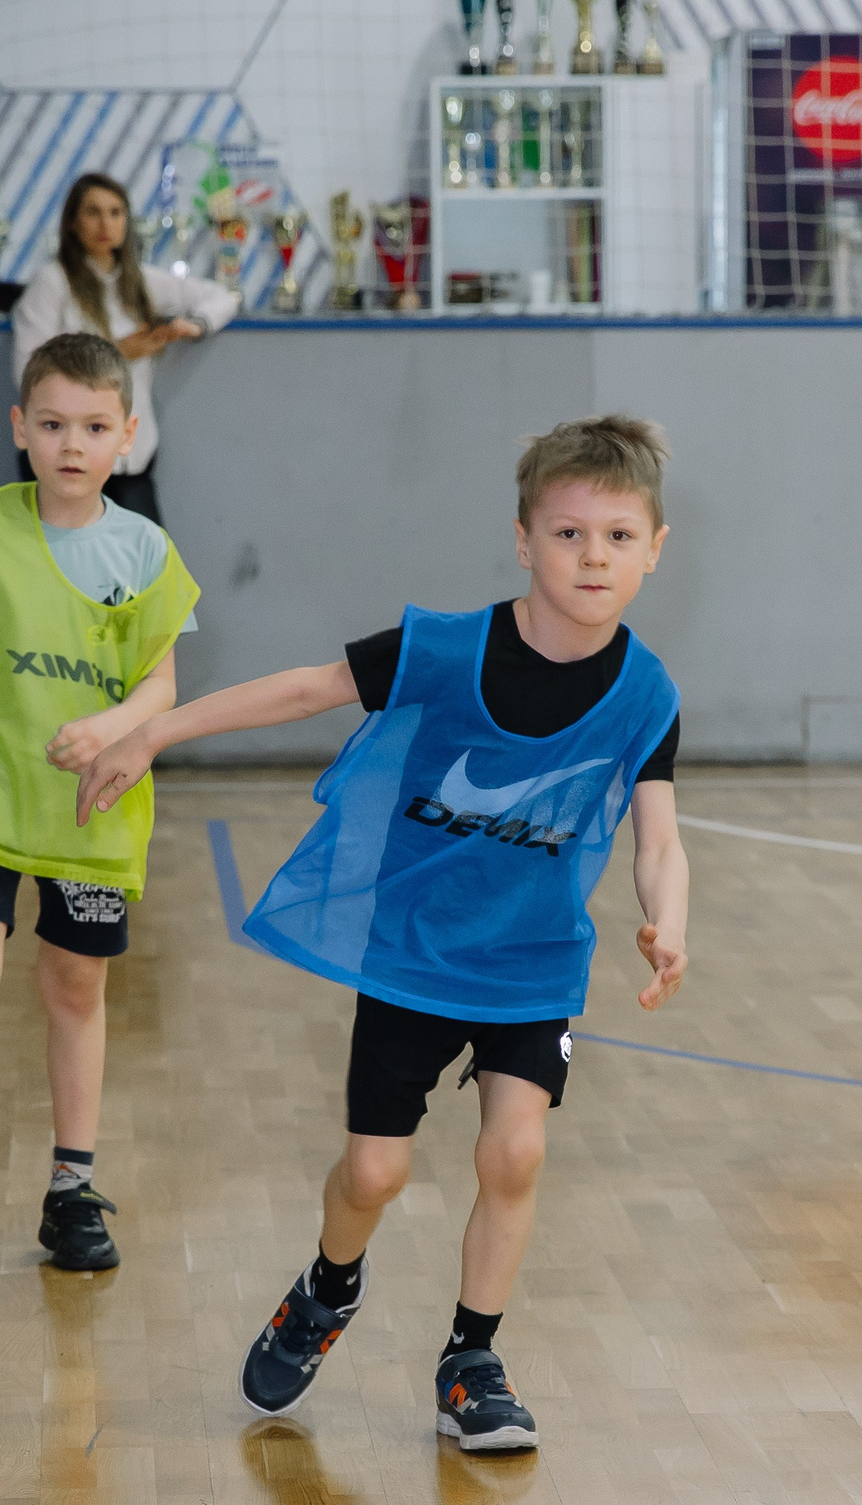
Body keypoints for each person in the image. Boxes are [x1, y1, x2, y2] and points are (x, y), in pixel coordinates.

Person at [75, 415, 690, 1452]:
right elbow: (306, 689)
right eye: (569, 534)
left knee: (517, 1152)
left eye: (619, 537)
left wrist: (667, 919)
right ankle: (326, 1287)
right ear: (522, 539)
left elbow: (657, 834)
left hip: (533, 962)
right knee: (374, 1175)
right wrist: (156, 731)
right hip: (411, 951)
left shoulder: (647, 695)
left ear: (655, 550)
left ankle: (471, 1361)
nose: (594, 557)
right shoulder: (445, 650)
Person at [0, 332, 201, 1271]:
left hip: (88, 804)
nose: (72, 443)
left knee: (74, 986)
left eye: (94, 426)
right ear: (20, 427)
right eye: (53, 423)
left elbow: (161, 687)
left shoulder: (144, 550)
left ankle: (71, 1183)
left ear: (127, 436)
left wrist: (112, 729)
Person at [8, 170, 237, 523]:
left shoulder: (141, 281)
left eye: (116, 213)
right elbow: (27, 372)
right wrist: (115, 354)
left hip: (132, 454)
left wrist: (195, 325)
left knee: (145, 569)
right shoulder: (52, 282)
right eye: (92, 212)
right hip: (66, 461)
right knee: (66, 568)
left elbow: (221, 296)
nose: (105, 223)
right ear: (72, 222)